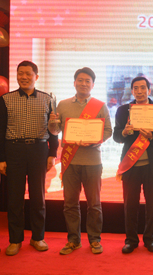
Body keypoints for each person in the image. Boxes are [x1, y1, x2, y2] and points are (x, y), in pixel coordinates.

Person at [0, 60, 58, 256]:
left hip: (39, 150)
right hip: (14, 150)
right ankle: (15, 240)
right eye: (20, 73)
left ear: (36, 77)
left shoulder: (48, 99)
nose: (24, 77)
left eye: (28, 74)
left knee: (38, 197)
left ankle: (38, 237)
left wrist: (53, 153)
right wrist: (0, 158)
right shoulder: (6, 99)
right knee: (15, 198)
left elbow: (54, 129)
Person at [48, 67, 112, 255]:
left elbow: (108, 130)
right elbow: (55, 131)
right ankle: (73, 240)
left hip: (93, 162)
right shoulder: (62, 105)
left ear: (93, 84)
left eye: (87, 81)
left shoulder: (100, 106)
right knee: (70, 203)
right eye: (80, 80)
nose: (84, 84)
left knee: (94, 204)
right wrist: (52, 122)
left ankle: (95, 239)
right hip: (70, 162)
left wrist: (95, 141)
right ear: (74, 83)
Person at [114, 77, 153, 253]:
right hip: (130, 165)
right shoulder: (123, 110)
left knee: (152, 206)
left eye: (142, 88)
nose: (139, 91)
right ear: (132, 91)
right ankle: (131, 240)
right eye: (135, 88)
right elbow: (116, 136)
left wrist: (152, 136)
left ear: (149, 90)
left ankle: (150, 240)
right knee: (130, 206)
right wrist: (124, 132)